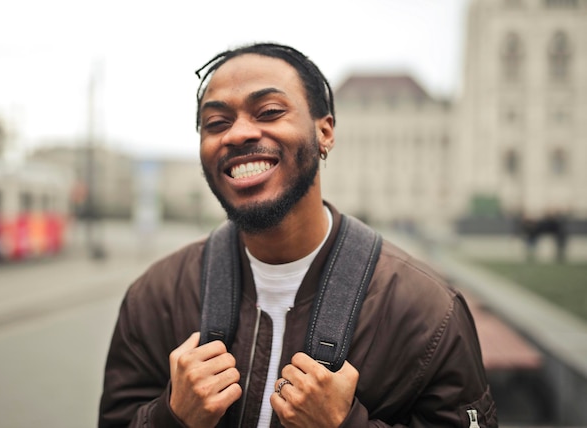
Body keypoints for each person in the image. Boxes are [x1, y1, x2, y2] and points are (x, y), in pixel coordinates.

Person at [98, 42, 497, 428]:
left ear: (325, 132)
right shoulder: (154, 297)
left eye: (269, 111)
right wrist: (172, 419)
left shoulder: (427, 312)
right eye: (216, 123)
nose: (237, 134)